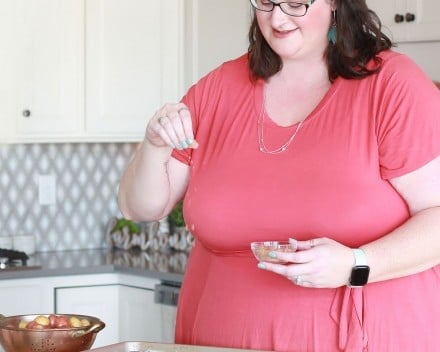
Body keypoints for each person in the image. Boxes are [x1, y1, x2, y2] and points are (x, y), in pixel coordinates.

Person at [118, 0, 440, 350]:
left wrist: (357, 263)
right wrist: (154, 145)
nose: (278, 18)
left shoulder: (391, 86)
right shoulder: (217, 90)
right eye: (267, 2)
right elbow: (142, 208)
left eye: (296, 3)